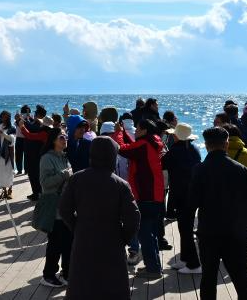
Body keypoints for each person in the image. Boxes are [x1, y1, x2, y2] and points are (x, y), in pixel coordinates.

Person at [59, 136, 140, 299]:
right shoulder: (120, 184)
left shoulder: (77, 178)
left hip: (84, 239)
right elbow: (133, 217)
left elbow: (64, 209)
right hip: (112, 242)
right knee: (112, 285)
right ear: (112, 155)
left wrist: (76, 227)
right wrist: (123, 238)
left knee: (82, 283)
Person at [190, 127, 247, 299]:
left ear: (206, 145)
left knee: (208, 278)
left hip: (209, 232)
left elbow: (192, 203)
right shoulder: (241, 169)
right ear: (226, 144)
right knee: (241, 278)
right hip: (236, 233)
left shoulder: (200, 169)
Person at [117, 118, 166, 278]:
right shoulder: (153, 142)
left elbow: (123, 149)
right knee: (150, 233)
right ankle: (154, 266)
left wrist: (118, 133)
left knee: (145, 235)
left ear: (144, 130)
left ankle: (153, 269)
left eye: (137, 129)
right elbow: (133, 145)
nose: (135, 131)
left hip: (146, 196)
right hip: (156, 195)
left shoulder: (143, 145)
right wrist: (124, 131)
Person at [162, 122, 201, 274]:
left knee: (185, 230)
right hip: (193, 194)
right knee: (186, 228)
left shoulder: (175, 150)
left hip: (181, 194)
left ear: (176, 136)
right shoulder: (194, 149)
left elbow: (162, 164)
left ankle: (194, 265)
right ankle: (185, 258)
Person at [39, 132, 72, 288]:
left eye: (65, 137)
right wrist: (64, 175)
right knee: (55, 243)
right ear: (53, 140)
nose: (65, 139)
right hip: (54, 206)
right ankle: (48, 275)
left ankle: (67, 273)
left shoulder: (64, 156)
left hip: (67, 207)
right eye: (61, 137)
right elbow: (45, 183)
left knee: (69, 242)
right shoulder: (47, 158)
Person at [0, 110, 16, 200]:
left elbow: (12, 140)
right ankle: (4, 191)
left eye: (6, 117)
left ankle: (10, 191)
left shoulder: (12, 127)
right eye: (2, 116)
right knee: (0, 172)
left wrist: (1, 133)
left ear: (9, 118)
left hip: (7, 153)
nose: (4, 118)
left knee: (9, 172)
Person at [14, 107, 28, 175]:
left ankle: (23, 170)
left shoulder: (25, 119)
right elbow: (17, 123)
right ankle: (23, 170)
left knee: (22, 155)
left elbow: (21, 124)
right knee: (21, 155)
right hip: (21, 138)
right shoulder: (19, 120)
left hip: (23, 138)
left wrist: (19, 118)